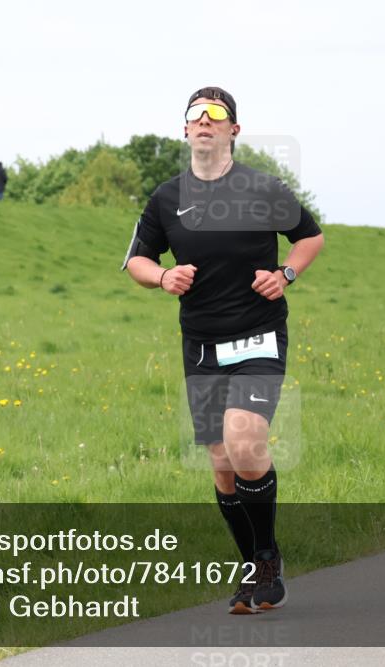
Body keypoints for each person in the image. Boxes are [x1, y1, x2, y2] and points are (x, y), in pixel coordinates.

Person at [121, 86, 324, 614]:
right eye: (196, 115)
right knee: (221, 462)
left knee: (244, 439)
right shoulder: (166, 198)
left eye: (217, 115)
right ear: (185, 130)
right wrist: (163, 276)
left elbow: (310, 237)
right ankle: (257, 562)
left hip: (258, 335)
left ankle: (267, 561)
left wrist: (286, 274)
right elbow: (137, 261)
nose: (205, 121)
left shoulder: (262, 187)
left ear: (234, 130)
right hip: (202, 344)